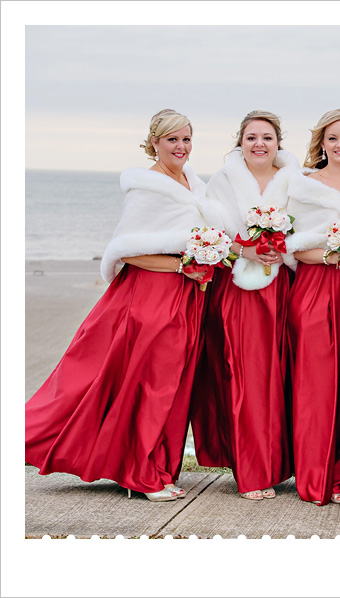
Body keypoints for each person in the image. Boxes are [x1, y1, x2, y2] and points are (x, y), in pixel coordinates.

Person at [25, 109, 211, 501]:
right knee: (151, 384)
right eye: (172, 139)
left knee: (170, 386)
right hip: (151, 296)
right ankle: (142, 474)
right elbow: (129, 252)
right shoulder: (149, 188)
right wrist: (183, 265)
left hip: (186, 297)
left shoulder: (194, 183)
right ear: (154, 142)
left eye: (186, 139)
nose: (180, 147)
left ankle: (155, 468)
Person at [190, 110, 299, 501]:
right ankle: (252, 472)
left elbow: (306, 227)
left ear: (278, 143)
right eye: (251, 137)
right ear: (241, 142)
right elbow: (209, 231)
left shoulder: (294, 180)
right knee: (246, 377)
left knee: (280, 378)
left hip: (283, 287)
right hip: (239, 289)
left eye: (267, 138)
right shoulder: (223, 181)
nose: (259, 144)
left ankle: (277, 464)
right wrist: (244, 248)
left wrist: (283, 248)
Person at [284, 109, 340, 506]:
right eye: (332, 138)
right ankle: (316, 477)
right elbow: (296, 247)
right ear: (321, 142)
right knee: (317, 384)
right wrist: (335, 257)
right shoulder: (304, 185)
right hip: (317, 289)